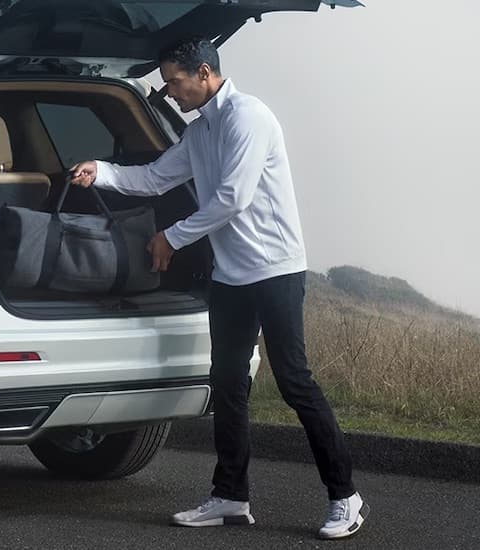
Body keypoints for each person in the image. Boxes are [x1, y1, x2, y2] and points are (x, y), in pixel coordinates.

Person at [66, 37, 367, 540]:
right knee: (228, 386)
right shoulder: (200, 131)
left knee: (295, 383)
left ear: (204, 73)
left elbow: (233, 197)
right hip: (230, 277)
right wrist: (104, 172)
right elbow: (157, 178)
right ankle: (230, 496)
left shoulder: (248, 118)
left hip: (275, 271)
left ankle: (345, 497)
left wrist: (170, 238)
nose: (171, 92)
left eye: (175, 82)